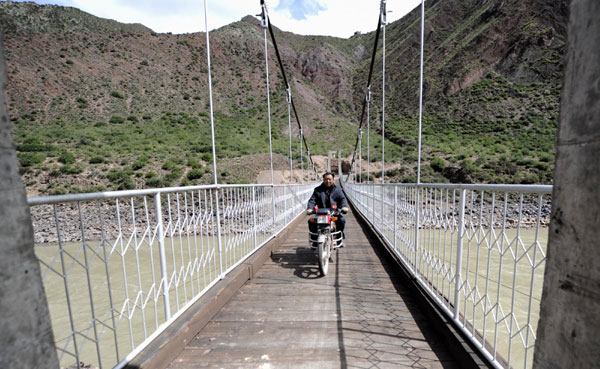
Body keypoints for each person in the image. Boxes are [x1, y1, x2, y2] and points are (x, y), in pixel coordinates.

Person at [306, 171, 349, 245]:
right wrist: (310, 208)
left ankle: (339, 240)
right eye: (326, 179)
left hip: (334, 213)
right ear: (323, 180)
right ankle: (314, 240)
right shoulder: (317, 190)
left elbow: (343, 199)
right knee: (311, 221)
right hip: (320, 213)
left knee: (341, 220)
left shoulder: (338, 190)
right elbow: (312, 200)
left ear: (333, 179)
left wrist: (344, 207)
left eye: (330, 179)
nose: (328, 181)